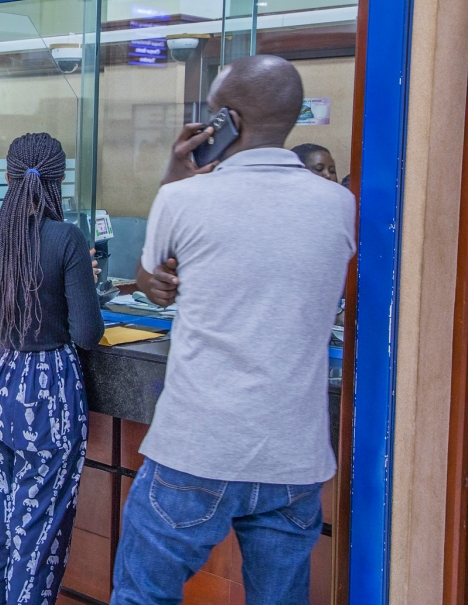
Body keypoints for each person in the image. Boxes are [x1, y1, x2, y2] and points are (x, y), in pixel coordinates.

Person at [109, 55, 356, 604]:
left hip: (198, 449)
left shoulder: (183, 198)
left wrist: (178, 169)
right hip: (295, 458)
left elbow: (151, 277)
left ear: (229, 123)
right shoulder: (340, 204)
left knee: (142, 596)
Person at [0, 133, 104, 605]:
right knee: (37, 534)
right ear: (58, 183)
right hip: (46, 400)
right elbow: (87, 334)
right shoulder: (65, 238)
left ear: (6, 178)